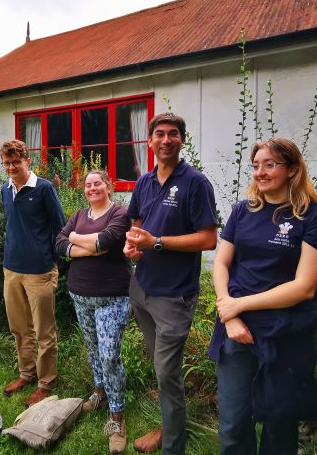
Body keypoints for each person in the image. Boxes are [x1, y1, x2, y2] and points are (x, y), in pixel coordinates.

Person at [208, 138, 317, 454]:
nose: (260, 173)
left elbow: (304, 286)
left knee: (280, 424)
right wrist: (231, 314)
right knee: (234, 424)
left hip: (287, 333)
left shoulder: (315, 217)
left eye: (269, 165)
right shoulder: (244, 210)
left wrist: (239, 305)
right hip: (236, 331)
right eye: (255, 166)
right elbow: (221, 263)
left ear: (292, 169)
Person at [123, 112, 217, 454]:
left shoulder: (195, 183)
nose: (166, 139)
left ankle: (174, 443)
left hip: (173, 296)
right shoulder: (144, 181)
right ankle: (169, 424)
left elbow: (209, 239)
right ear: (149, 141)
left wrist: (156, 242)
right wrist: (131, 243)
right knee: (162, 368)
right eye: (159, 134)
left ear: (182, 140)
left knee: (166, 373)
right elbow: (136, 221)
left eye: (173, 134)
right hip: (142, 288)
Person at [55, 169, 132, 454]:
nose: (92, 188)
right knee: (92, 348)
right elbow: (60, 244)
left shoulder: (119, 214)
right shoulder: (77, 216)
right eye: (88, 185)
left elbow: (108, 241)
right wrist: (84, 245)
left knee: (110, 354)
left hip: (112, 296)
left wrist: (80, 240)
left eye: (97, 183)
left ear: (109, 185)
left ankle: (117, 415)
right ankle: (100, 390)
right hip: (80, 294)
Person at [0, 139, 66, 407]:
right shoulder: (5, 189)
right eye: (7, 163)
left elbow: (60, 226)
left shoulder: (44, 189)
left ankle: (46, 383)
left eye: (17, 161)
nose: (12, 167)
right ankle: (26, 373)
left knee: (43, 331)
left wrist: (49, 259)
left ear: (28, 161)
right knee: (19, 328)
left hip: (39, 271)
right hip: (11, 269)